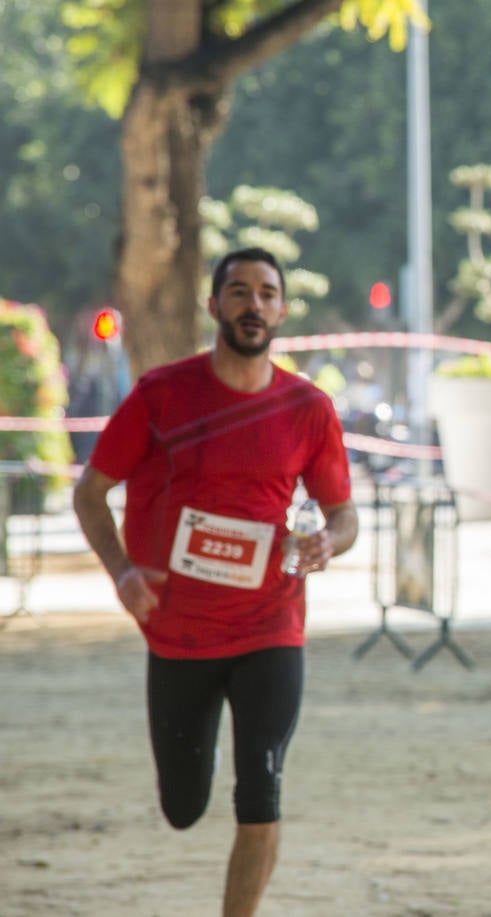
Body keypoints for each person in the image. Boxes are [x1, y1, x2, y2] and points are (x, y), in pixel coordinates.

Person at [72, 247, 357, 917]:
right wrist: (121, 570)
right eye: (238, 291)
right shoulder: (162, 394)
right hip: (178, 634)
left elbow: (344, 514)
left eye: (265, 293)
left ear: (282, 310)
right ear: (214, 305)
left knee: (260, 791)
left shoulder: (307, 407)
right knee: (183, 804)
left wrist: (327, 542)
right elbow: (91, 493)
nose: (252, 304)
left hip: (270, 626)